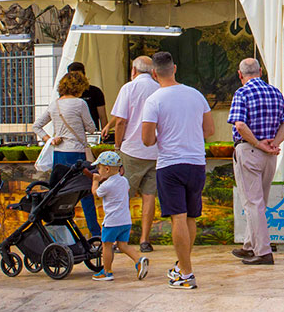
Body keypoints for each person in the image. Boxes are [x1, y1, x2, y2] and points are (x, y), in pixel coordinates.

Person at [141, 51, 214, 290]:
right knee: (191, 216)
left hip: (170, 163)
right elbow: (209, 130)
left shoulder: (154, 100)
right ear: (175, 68)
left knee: (178, 218)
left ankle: (186, 272)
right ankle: (183, 266)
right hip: (196, 162)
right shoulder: (196, 95)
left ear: (154, 73)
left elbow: (147, 140)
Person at [228, 58, 284, 267]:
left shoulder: (242, 93)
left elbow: (240, 125)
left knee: (252, 203)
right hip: (269, 155)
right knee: (260, 202)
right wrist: (273, 144)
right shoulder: (275, 91)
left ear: (240, 74)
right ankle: (249, 245)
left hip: (249, 150)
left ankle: (263, 251)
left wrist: (257, 143)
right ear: (260, 71)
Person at [33, 71, 99, 239]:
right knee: (85, 193)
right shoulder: (80, 104)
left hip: (59, 154)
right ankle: (95, 232)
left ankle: (59, 233)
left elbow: (37, 126)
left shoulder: (55, 104)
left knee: (59, 194)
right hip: (76, 154)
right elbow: (91, 127)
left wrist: (49, 139)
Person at [108, 56, 161, 251]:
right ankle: (145, 240)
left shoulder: (128, 89)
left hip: (131, 150)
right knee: (149, 196)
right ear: (153, 71)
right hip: (155, 151)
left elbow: (120, 121)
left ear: (133, 70)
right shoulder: (159, 89)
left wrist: (117, 146)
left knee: (123, 197)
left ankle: (118, 240)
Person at [90, 150, 148, 282]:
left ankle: (107, 271)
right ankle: (138, 260)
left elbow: (95, 193)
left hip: (112, 221)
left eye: (99, 167)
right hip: (125, 220)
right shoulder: (124, 181)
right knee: (123, 245)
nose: (98, 170)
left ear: (107, 168)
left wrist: (95, 181)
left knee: (107, 245)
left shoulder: (106, 185)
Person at [68, 61, 107, 131]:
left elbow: (102, 116)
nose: (76, 80)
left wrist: (104, 132)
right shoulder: (67, 94)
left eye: (79, 76)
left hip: (91, 132)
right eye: (73, 77)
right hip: (72, 132)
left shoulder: (95, 91)